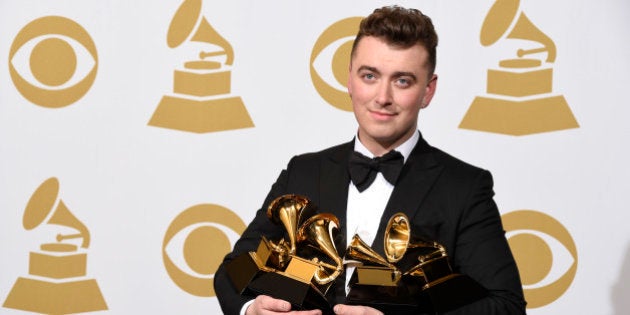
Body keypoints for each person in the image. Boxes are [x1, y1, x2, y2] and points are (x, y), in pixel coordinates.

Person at [214, 5, 526, 315]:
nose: (382, 96)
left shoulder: (465, 187)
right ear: (350, 80)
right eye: (370, 76)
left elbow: (506, 306)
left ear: (428, 91)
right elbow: (234, 270)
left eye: (402, 80)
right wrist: (250, 310)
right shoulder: (303, 171)